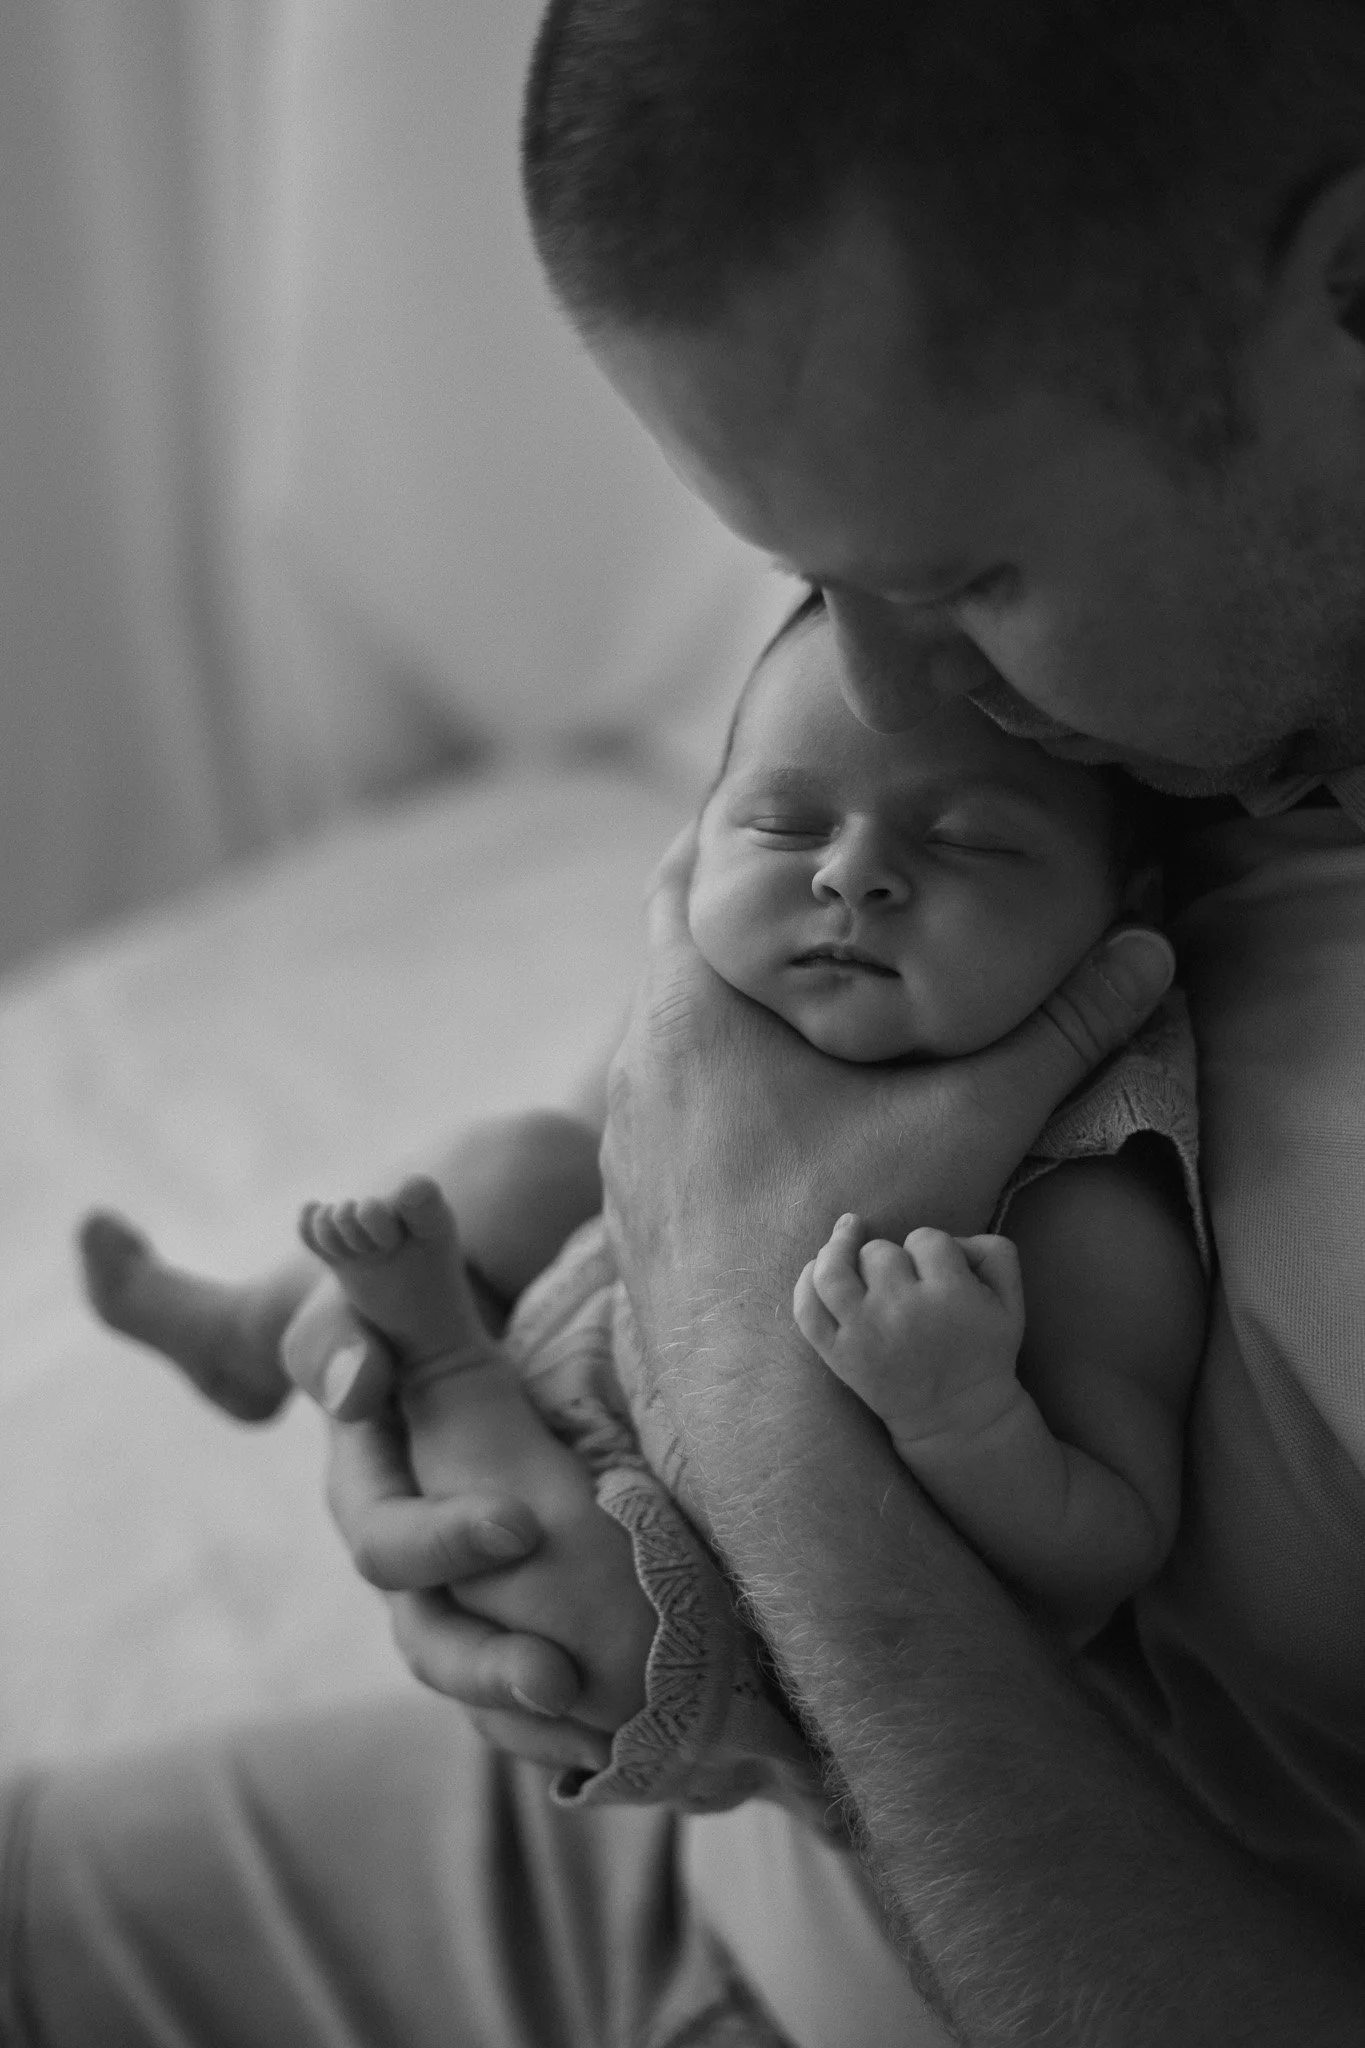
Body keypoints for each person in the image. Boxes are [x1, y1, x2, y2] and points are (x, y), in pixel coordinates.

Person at [6, 3, 1365, 2042]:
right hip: (671, 1866)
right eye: (808, 581)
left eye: (968, 576)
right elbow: (673, 1126)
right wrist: (489, 1356)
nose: (878, 699)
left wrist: (754, 1402)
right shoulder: (1116, 710)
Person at [83, 595, 1204, 1699]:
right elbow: (609, 1152)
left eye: (970, 841)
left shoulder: (1083, 1195)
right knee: (519, 1163)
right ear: (697, 837)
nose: (849, 874)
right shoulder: (721, 1003)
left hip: (720, 1588)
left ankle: (440, 1359)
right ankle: (265, 1319)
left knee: (591, 1607)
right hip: (588, 1347)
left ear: (1123, 909)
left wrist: (964, 1411)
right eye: (782, 824)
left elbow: (1112, 1542)